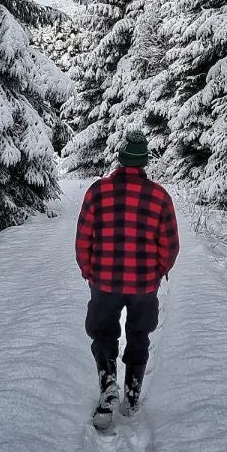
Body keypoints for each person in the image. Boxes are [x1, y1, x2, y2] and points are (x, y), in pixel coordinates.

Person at [75, 129, 180, 422]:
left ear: (120, 161)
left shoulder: (97, 191)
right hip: (144, 284)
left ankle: (108, 386)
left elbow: (83, 239)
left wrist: (88, 270)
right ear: (144, 162)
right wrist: (159, 270)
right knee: (139, 335)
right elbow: (170, 245)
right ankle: (132, 393)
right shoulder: (159, 197)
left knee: (103, 333)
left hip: (104, 282)